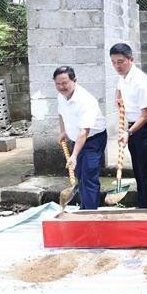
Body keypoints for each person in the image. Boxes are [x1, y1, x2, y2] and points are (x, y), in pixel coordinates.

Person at [110, 43, 147, 209]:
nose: (117, 66)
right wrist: (118, 100)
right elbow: (119, 92)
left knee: (146, 171)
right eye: (114, 62)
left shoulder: (142, 81)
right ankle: (143, 204)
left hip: (146, 128)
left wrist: (128, 132)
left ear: (131, 59)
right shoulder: (123, 76)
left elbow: (146, 114)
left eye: (121, 61)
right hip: (133, 127)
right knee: (138, 169)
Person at [54, 66, 107, 210]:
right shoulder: (61, 96)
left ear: (74, 81)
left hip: (93, 139)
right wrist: (63, 132)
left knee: (88, 175)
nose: (61, 87)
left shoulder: (85, 100)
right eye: (58, 84)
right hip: (76, 139)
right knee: (80, 175)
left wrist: (74, 155)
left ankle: (89, 213)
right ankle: (86, 207)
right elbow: (61, 114)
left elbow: (85, 131)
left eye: (65, 83)